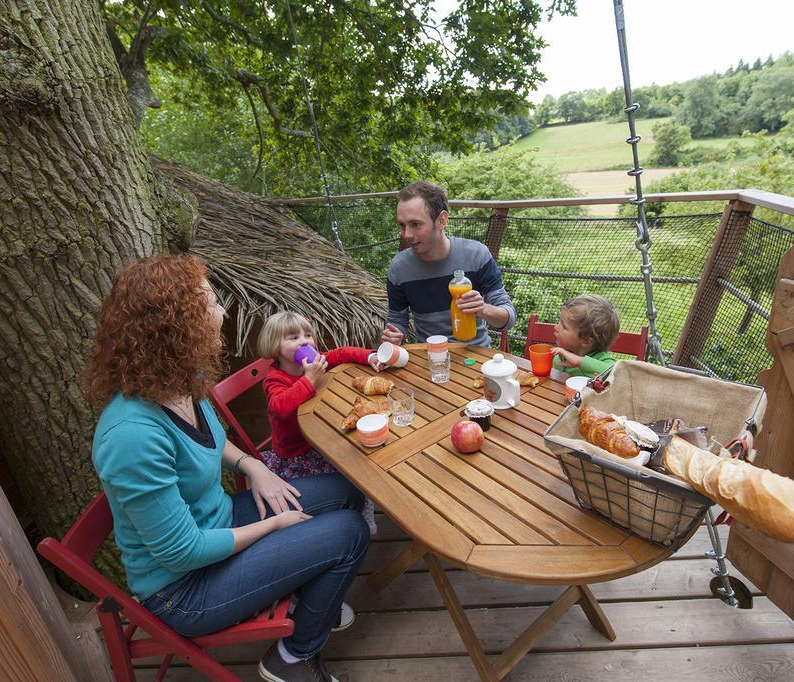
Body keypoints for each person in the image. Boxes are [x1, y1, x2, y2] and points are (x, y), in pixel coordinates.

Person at [84, 255, 367, 682]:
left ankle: (315, 601)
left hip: (219, 523)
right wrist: (275, 526)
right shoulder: (130, 435)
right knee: (351, 532)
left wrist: (255, 466)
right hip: (186, 589)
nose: (222, 313)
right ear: (179, 324)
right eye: (211, 304)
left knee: (346, 493)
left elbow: (213, 442)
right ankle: (292, 658)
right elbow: (183, 552)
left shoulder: (181, 380)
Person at [257, 310, 382, 534]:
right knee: (354, 468)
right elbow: (280, 408)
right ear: (275, 347)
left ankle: (366, 511)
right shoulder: (275, 379)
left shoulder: (315, 362)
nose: (304, 341)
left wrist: (369, 356)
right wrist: (309, 379)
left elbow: (341, 353)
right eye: (293, 338)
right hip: (299, 453)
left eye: (307, 335)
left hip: (322, 437)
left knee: (364, 459)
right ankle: (341, 517)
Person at [381, 180, 516, 347]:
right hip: (430, 357)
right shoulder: (399, 267)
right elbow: (397, 319)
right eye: (402, 225)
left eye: (415, 224)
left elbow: (509, 317)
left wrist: (483, 309)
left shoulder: (476, 255)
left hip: (475, 356)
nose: (406, 235)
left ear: (442, 221)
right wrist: (396, 335)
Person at [550, 294, 621, 379]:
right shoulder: (559, 358)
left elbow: (617, 375)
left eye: (564, 326)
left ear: (586, 341)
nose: (556, 327)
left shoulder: (603, 360)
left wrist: (580, 362)